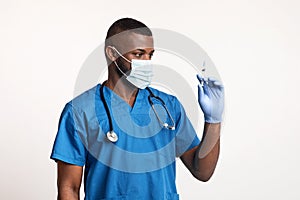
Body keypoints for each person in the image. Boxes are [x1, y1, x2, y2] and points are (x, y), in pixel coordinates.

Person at [50, 18, 224, 200]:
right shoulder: (80, 111)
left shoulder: (168, 106)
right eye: (139, 54)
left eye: (150, 55)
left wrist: (213, 120)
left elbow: (202, 172)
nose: (147, 61)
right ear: (112, 53)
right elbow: (69, 187)